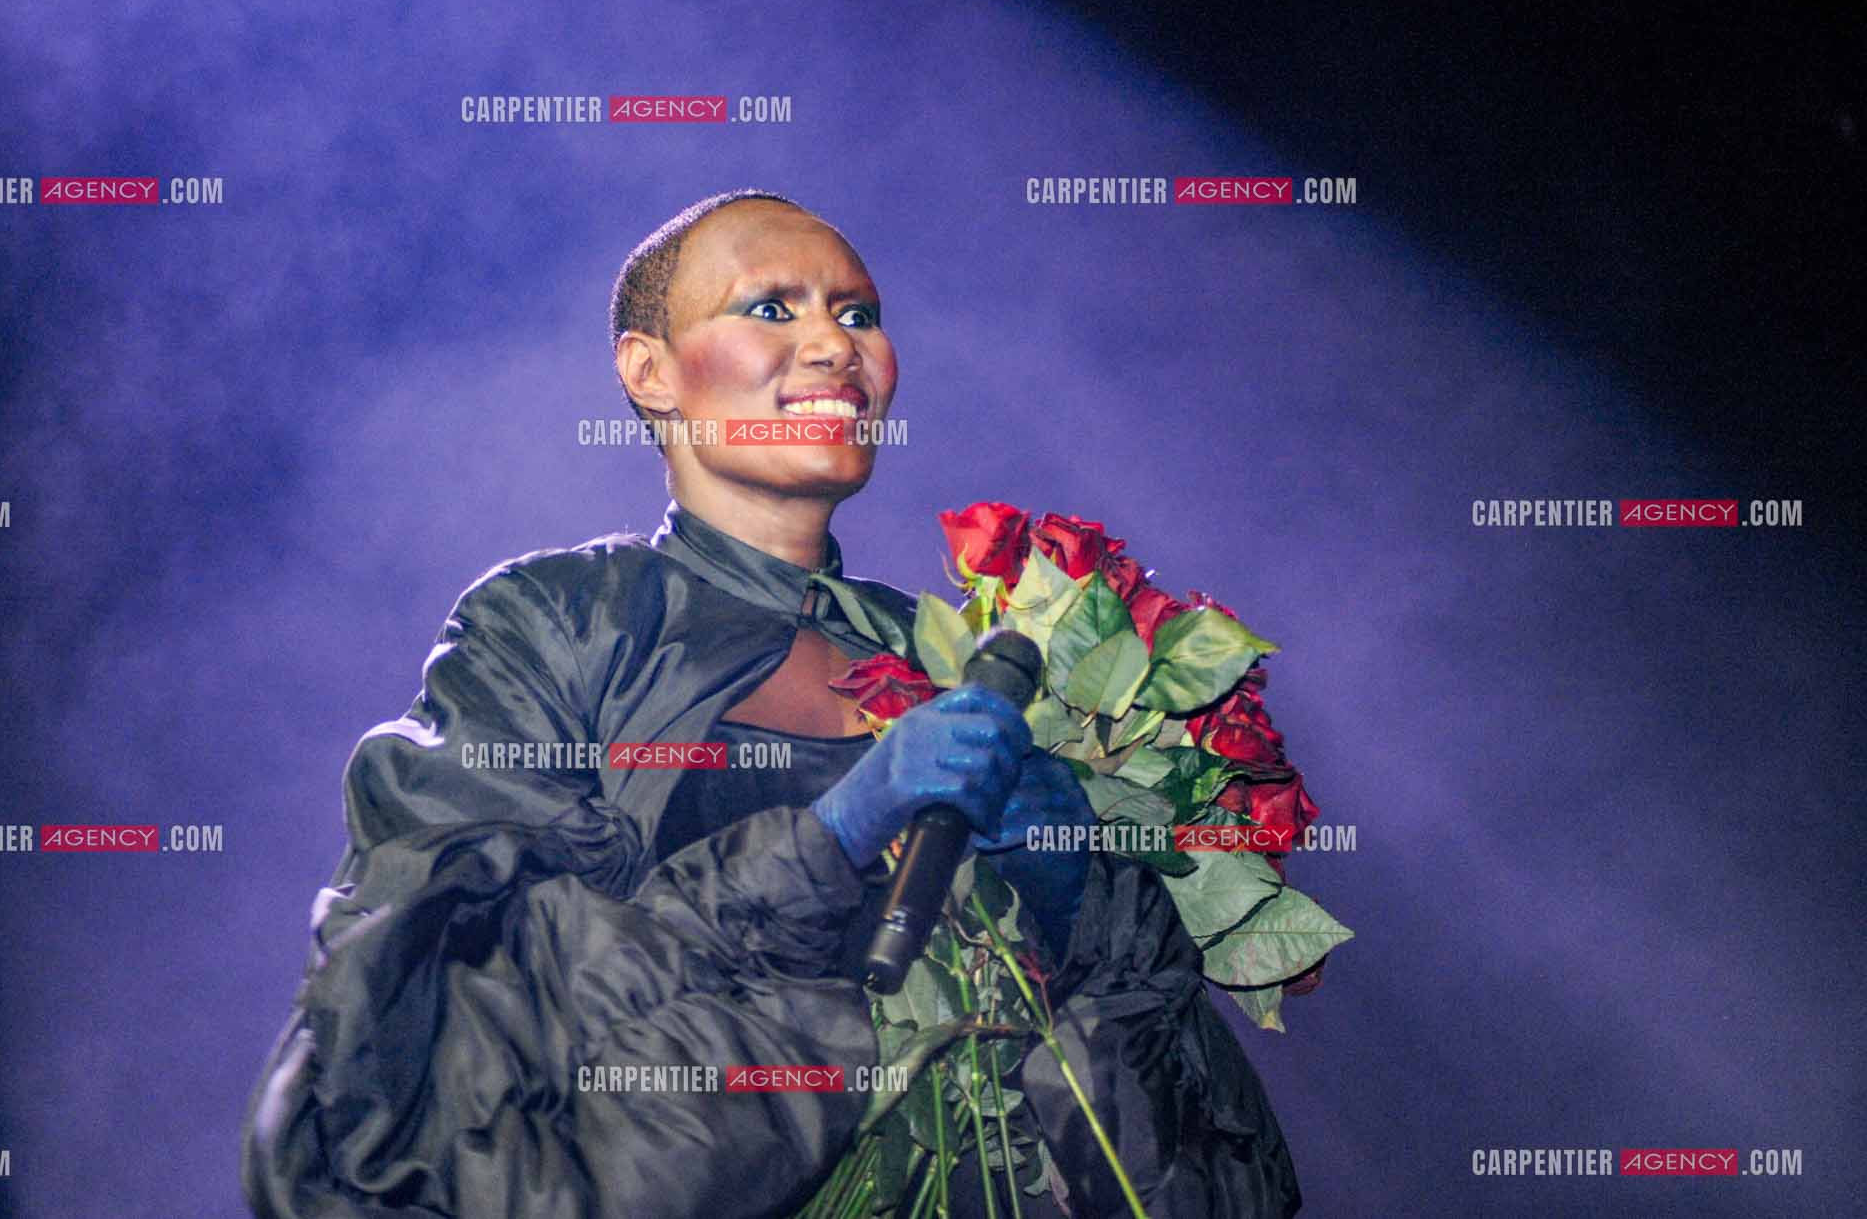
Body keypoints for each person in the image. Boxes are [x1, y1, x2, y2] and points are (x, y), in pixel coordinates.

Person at [241, 190, 1303, 1218]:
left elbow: (1220, 1179)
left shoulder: (968, 656)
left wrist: (1086, 908)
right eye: (770, 308)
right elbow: (456, 1009)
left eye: (858, 315)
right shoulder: (560, 624)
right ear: (648, 372)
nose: (835, 345)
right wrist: (830, 837)